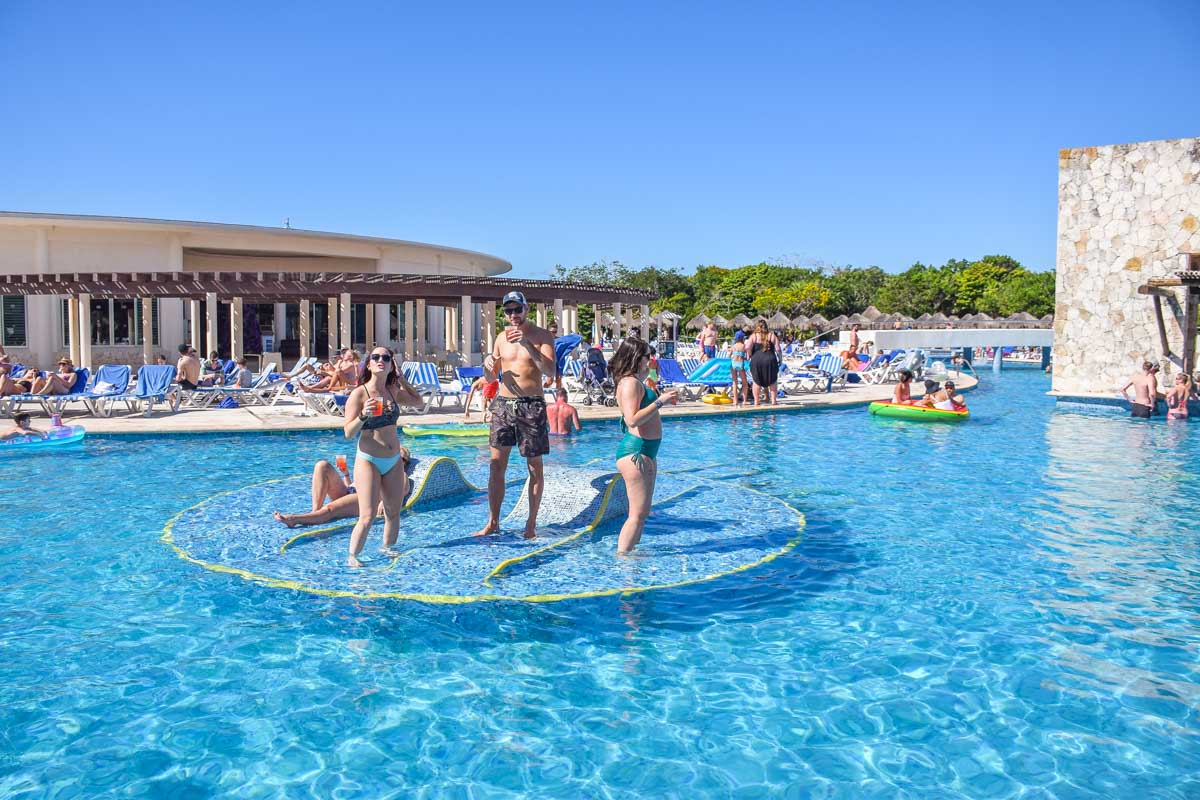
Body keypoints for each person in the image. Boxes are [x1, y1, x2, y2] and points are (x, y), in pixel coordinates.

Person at [474, 291, 556, 540]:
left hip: (531, 405)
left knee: (534, 466)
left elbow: (550, 370)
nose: (513, 315)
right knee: (496, 465)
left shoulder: (542, 336)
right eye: (508, 311)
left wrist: (527, 344)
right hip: (503, 405)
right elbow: (491, 377)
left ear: (526, 309)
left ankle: (531, 524)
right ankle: (493, 522)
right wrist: (488, 367)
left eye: (517, 309)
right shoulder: (501, 338)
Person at [342, 346, 423, 567]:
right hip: (368, 459)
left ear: (391, 365)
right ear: (368, 364)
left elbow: (418, 402)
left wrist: (403, 380)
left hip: (393, 460)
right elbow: (348, 433)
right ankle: (353, 557)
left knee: (393, 512)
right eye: (376, 357)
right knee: (367, 515)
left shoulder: (392, 391)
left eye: (386, 358)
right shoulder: (359, 394)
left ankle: (388, 550)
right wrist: (363, 415)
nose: (381, 360)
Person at [611, 336, 678, 554]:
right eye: (647, 356)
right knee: (635, 514)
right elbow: (632, 419)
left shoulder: (635, 381)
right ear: (636, 357)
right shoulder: (629, 383)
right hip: (636, 452)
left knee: (642, 513)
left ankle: (633, 554)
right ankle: (623, 558)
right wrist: (660, 401)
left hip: (647, 451)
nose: (650, 360)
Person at [272, 452, 405, 529]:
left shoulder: (400, 474)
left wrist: (385, 502)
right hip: (350, 492)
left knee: (330, 509)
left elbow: (402, 489)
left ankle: (294, 519)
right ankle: (314, 513)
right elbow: (353, 486)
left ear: (404, 462)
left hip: (365, 499)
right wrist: (346, 474)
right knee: (322, 466)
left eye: (401, 457)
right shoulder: (375, 468)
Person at [748, 320, 781, 406]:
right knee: (773, 380)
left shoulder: (753, 336)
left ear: (757, 326)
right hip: (770, 360)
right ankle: (774, 401)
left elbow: (747, 347)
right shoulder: (772, 336)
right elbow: (778, 349)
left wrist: (749, 355)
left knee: (756, 381)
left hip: (757, 360)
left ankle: (756, 401)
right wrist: (780, 359)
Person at [730, 330, 749, 405]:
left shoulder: (733, 346)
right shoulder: (744, 346)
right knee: (745, 383)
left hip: (733, 364)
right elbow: (748, 357)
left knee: (735, 383)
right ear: (742, 338)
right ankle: (744, 401)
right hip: (740, 363)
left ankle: (735, 401)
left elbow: (729, 356)